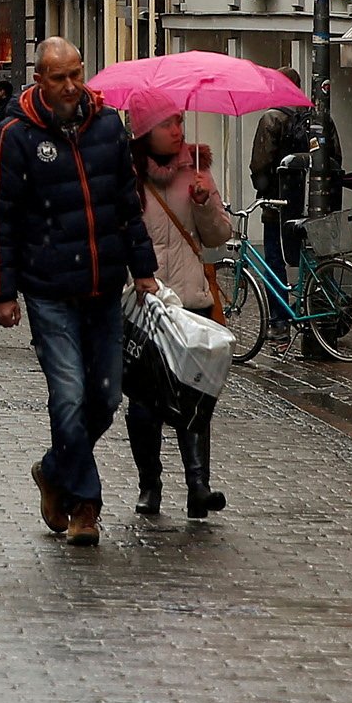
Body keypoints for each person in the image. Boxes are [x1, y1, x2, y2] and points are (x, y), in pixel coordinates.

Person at [0, 39, 158, 546]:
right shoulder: (14, 135)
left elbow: (127, 204)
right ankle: (85, 504)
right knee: (69, 395)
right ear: (39, 80)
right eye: (58, 78)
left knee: (104, 399)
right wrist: (1, 291)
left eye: (76, 74)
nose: (70, 86)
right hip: (49, 288)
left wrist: (143, 267)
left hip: (103, 285)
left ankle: (54, 470)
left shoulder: (106, 126)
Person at [127, 115, 235, 520]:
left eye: (179, 121)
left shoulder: (196, 168)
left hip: (191, 303)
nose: (176, 130)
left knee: (195, 399)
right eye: (166, 123)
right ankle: (149, 484)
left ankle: (198, 486)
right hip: (148, 307)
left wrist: (205, 205)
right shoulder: (126, 173)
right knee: (144, 405)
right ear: (143, 129)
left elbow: (218, 236)